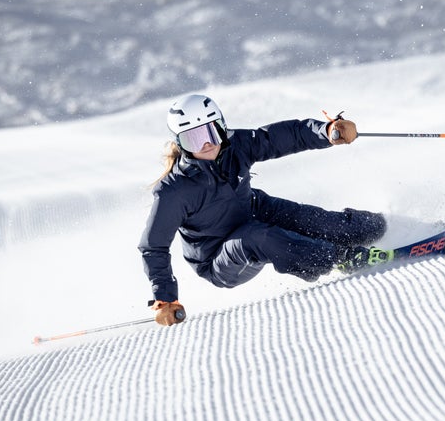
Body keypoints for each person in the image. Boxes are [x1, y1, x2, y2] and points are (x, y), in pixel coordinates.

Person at [139, 94, 387, 326]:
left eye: (211, 133)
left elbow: (278, 137)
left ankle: (379, 226)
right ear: (180, 143)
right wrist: (165, 298)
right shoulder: (174, 191)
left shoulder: (236, 146)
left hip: (254, 210)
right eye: (192, 138)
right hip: (220, 259)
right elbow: (154, 246)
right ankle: (341, 258)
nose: (205, 144)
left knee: (316, 221)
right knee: (257, 236)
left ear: (222, 129)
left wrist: (327, 131)